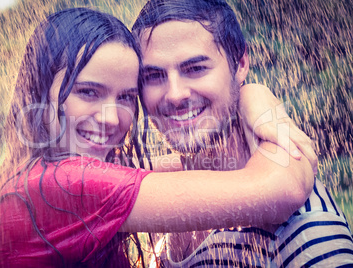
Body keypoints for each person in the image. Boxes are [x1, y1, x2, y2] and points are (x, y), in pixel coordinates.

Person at [0, 7, 315, 268]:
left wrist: (252, 96)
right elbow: (283, 188)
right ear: (39, 91)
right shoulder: (65, 185)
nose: (110, 118)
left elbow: (180, 167)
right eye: (88, 92)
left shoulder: (33, 174)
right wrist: (270, 114)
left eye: (124, 97)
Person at [131, 0, 353, 267]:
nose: (175, 94)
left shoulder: (304, 233)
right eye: (154, 75)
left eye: (196, 68)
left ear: (241, 63)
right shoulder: (170, 195)